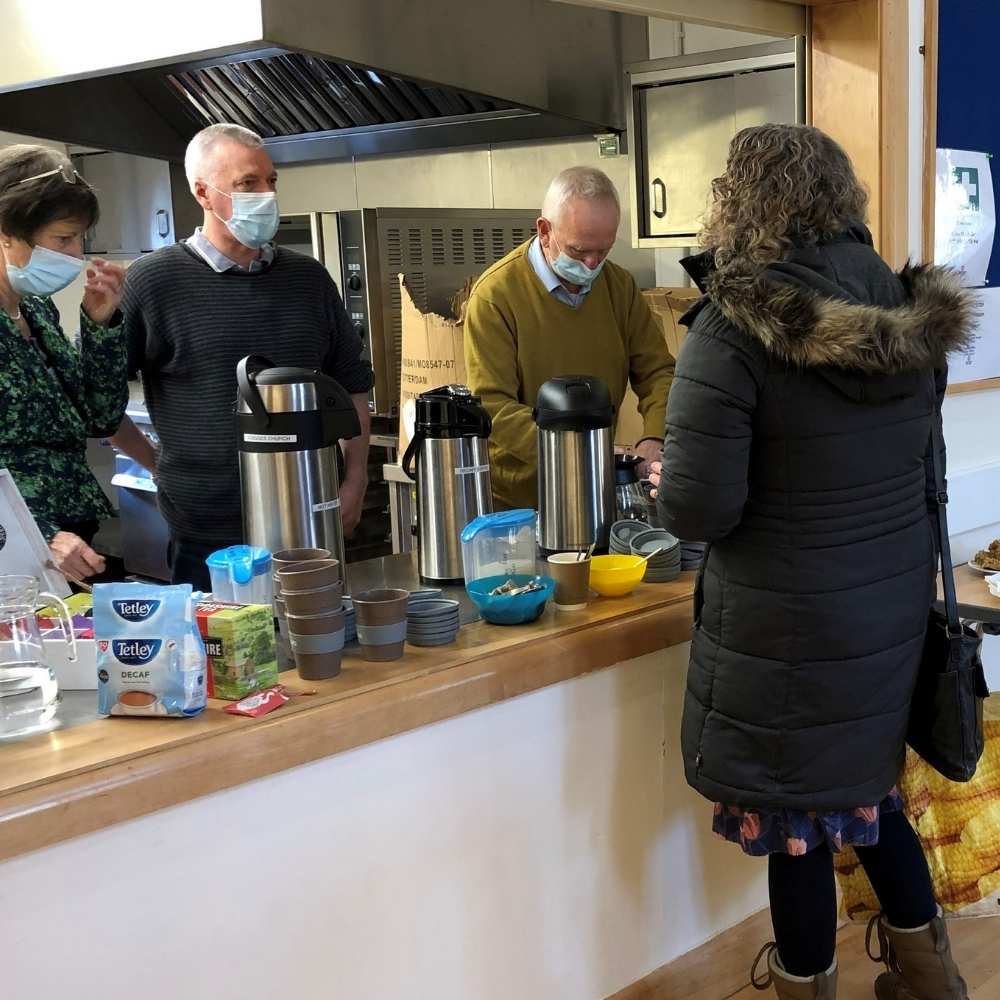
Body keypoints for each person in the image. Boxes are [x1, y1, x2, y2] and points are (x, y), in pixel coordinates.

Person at [649, 124, 976, 1000]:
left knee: (796, 827)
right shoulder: (909, 320)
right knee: (869, 802)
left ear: (738, 203)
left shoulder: (731, 331)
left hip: (786, 629)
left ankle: (805, 985)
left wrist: (658, 478)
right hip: (885, 617)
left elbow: (699, 508)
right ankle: (932, 982)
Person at [111, 124, 372, 591]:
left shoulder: (308, 279)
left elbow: (352, 384)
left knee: (321, 648)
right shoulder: (153, 282)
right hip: (205, 530)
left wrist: (354, 482)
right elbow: (99, 399)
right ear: (203, 193)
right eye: (247, 184)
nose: (265, 195)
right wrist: (159, 467)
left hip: (311, 516)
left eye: (270, 181)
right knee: (222, 657)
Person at [463, 166, 675, 510]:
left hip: (598, 490)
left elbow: (658, 374)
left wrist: (654, 435)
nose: (591, 265)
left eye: (603, 252)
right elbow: (492, 408)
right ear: (545, 231)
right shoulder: (495, 296)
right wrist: (580, 455)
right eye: (579, 252)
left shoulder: (619, 287)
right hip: (520, 503)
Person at [0, 145, 127, 581]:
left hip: (72, 532)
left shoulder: (36, 310)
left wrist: (100, 325)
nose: (76, 254)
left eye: (80, 238)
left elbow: (100, 418)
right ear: (5, 232)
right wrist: (42, 532)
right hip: (14, 541)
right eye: (63, 238)